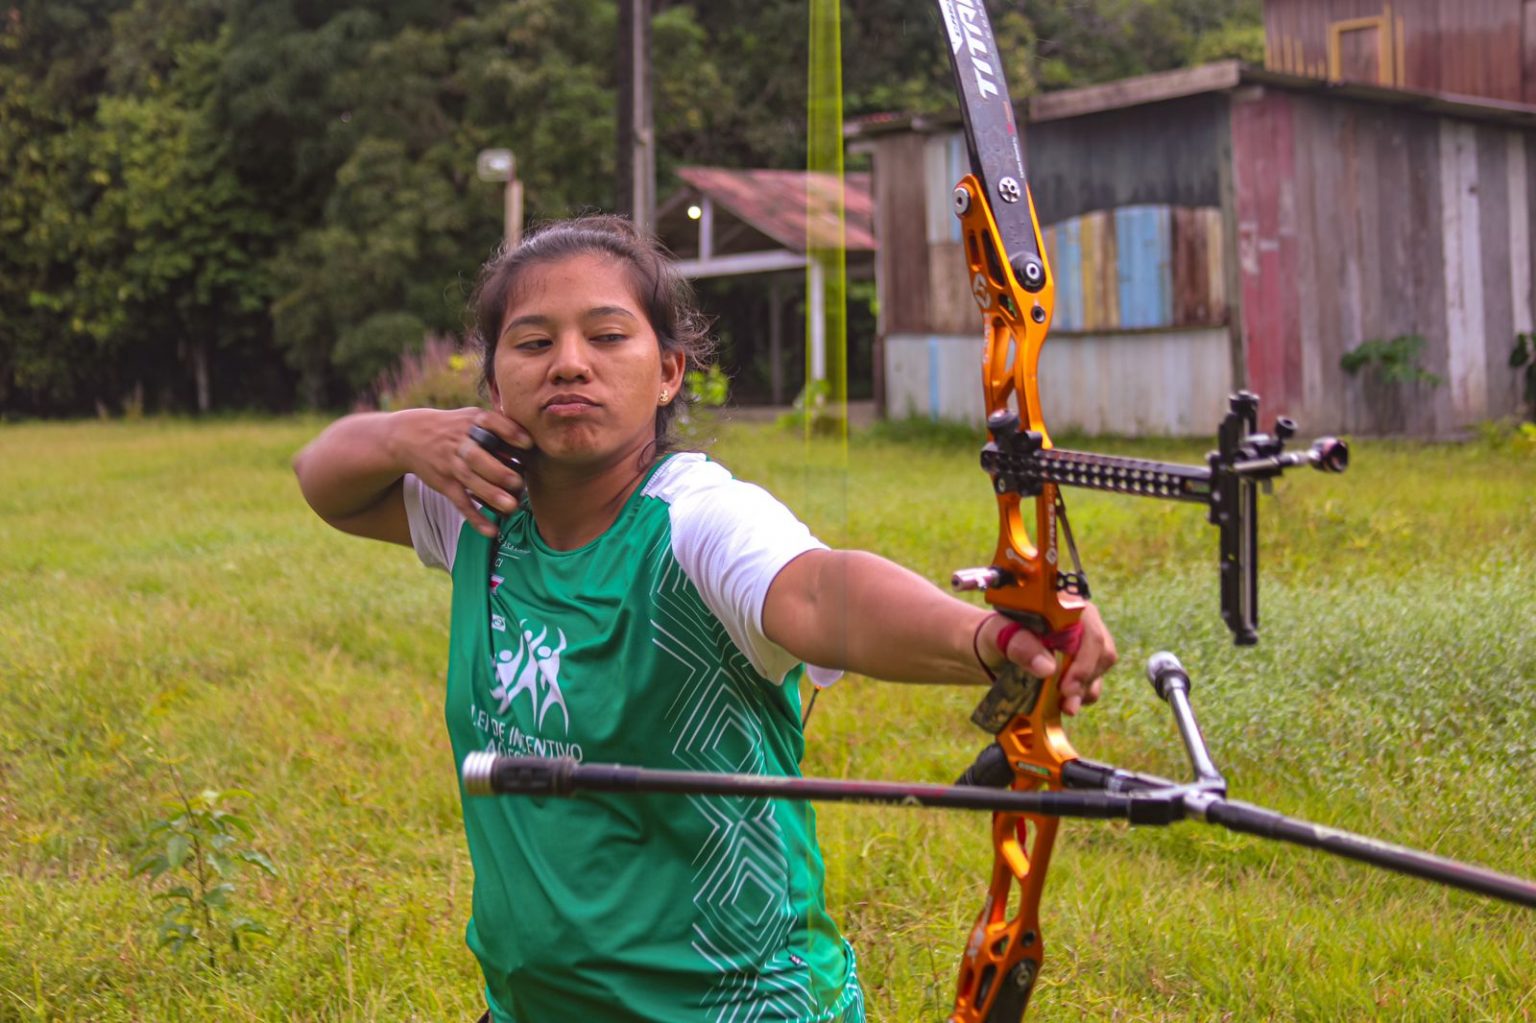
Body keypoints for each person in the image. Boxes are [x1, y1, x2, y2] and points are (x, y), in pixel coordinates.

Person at [292, 215, 1117, 1023]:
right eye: (534, 342)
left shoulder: (694, 518)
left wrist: (987, 637)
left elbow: (819, 593)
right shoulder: (479, 512)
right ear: (496, 378)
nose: (569, 364)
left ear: (668, 372)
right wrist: (405, 434)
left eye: (608, 337)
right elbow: (321, 477)